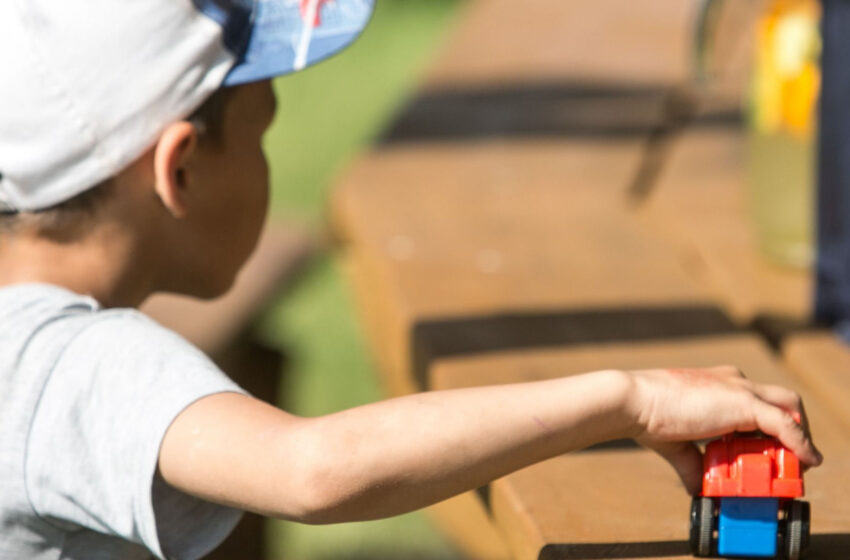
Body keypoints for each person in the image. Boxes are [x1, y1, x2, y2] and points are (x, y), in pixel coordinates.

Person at [0, 1, 823, 559]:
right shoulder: (70, 366)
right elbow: (310, 470)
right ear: (180, 168)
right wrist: (631, 397)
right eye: (263, 131)